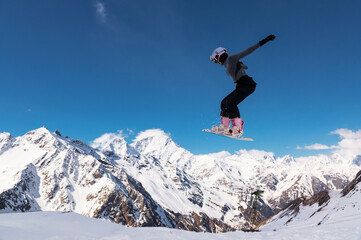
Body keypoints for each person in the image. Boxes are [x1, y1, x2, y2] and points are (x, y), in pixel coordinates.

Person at [210, 34, 276, 136]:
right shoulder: (229, 63)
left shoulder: (231, 58)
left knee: (231, 103)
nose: (216, 62)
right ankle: (224, 127)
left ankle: (238, 128)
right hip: (241, 85)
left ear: (218, 56)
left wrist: (265, 40)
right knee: (224, 103)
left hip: (247, 84)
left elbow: (248, 51)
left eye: (215, 60)